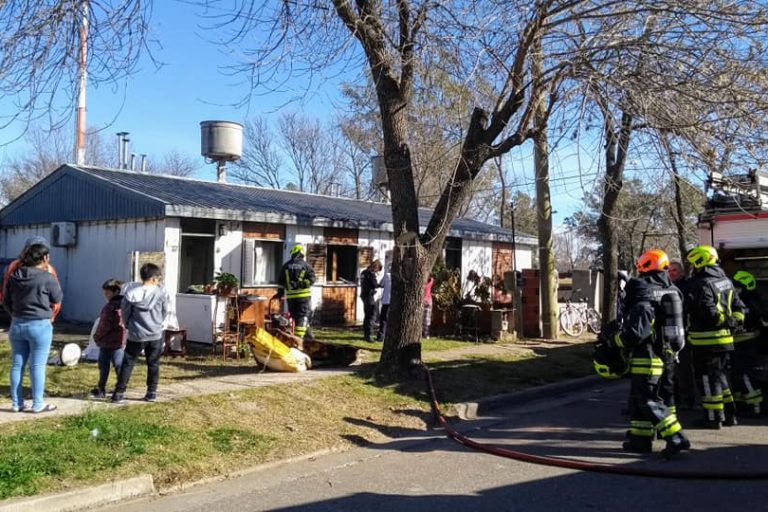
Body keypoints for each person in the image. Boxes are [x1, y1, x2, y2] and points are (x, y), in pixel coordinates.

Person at [614, 249, 690, 457]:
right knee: (652, 398)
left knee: (646, 398)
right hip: (669, 354)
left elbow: (636, 332)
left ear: (644, 265)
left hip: (647, 355)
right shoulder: (673, 289)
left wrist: (617, 341)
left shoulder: (643, 290)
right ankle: (640, 440)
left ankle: (676, 437)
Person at [685, 245, 746, 429]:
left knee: (707, 380)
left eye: (693, 263)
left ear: (700, 261)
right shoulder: (725, 281)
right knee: (721, 378)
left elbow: (708, 312)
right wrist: (733, 323)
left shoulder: (702, 284)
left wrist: (723, 321)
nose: (692, 267)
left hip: (706, 342)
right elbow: (740, 308)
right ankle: (729, 415)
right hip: (725, 342)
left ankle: (712, 418)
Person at [3, 242, 63, 413]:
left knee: (17, 365)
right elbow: (57, 298)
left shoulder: (14, 275)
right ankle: (38, 404)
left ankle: (16, 403)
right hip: (40, 325)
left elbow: (6, 301)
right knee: (37, 366)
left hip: (17, 324)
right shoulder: (47, 277)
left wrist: (14, 314)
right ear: (45, 258)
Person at [111, 263, 169, 403]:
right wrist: (158, 323)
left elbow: (125, 313)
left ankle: (119, 393)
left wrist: (129, 325)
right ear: (154, 278)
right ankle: (151, 392)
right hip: (155, 333)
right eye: (158, 277)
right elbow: (165, 311)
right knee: (153, 363)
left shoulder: (131, 293)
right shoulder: (160, 293)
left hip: (137, 334)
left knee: (128, 363)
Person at [1, 236, 62, 321]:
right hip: (38, 320)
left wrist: (14, 315)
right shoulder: (48, 271)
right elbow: (57, 301)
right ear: (46, 256)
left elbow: (5, 297)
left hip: (21, 318)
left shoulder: (15, 267)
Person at [730, 270, 766, 416]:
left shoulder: (747, 301)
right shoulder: (753, 299)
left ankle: (755, 405)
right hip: (742, 343)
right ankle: (741, 403)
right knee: (736, 375)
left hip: (745, 343)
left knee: (744, 374)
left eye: (736, 285)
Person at [89, 279, 127, 400]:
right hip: (120, 340)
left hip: (106, 341)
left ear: (115, 291)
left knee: (104, 366)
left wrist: (97, 336)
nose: (105, 296)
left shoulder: (109, 307)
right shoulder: (125, 305)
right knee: (119, 365)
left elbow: (104, 325)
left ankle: (101, 389)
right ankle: (120, 389)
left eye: (107, 293)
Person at [668, 258, 697, 410]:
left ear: (681, 272)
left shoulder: (687, 287)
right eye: (669, 270)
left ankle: (688, 399)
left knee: (684, 368)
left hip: (683, 332)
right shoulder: (666, 287)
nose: (671, 273)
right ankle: (675, 398)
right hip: (668, 333)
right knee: (671, 369)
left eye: (674, 270)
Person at [279, 244, 316, 341]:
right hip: (303, 296)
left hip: (291, 297)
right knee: (303, 316)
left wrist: (280, 294)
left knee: (296, 317)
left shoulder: (285, 266)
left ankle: (309, 337)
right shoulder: (306, 265)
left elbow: (280, 282)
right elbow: (312, 279)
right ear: (302, 254)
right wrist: (302, 284)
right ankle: (298, 339)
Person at [360, 260, 382, 342]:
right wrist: (381, 285)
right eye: (377, 270)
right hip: (369, 296)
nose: (376, 272)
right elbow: (374, 284)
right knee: (372, 315)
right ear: (375, 267)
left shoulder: (364, 272)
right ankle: (368, 336)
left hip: (364, 295)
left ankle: (366, 334)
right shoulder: (370, 274)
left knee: (367, 316)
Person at [376, 264, 392, 342]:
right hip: (394, 302)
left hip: (386, 301)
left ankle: (381, 337)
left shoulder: (387, 276)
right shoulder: (400, 277)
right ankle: (390, 336)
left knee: (383, 319)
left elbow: (381, 284)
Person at [423, 274, 435, 339]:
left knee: (426, 319)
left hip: (428, 301)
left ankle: (426, 334)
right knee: (423, 319)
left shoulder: (430, 281)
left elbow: (431, 279)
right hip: (424, 301)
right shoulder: (425, 282)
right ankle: (424, 333)